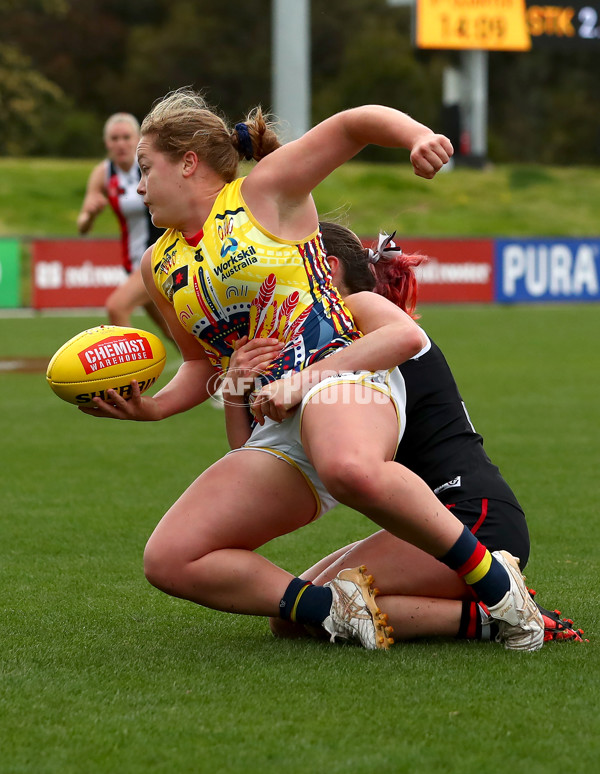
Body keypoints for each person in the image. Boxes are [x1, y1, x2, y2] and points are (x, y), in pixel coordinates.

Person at [79, 88, 544, 652]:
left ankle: (500, 588)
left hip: (342, 379)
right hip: (281, 421)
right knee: (171, 557)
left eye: (146, 168)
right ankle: (336, 611)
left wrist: (417, 135)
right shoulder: (160, 265)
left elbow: (354, 124)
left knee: (349, 466)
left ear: (188, 162)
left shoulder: (263, 192)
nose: (138, 185)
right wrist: (149, 407)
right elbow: (199, 364)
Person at [216, 221, 583, 645]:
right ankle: (494, 611)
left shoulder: (370, 329)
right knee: (289, 613)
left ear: (327, 270)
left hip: (473, 519)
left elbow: (406, 336)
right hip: (424, 523)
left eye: (286, 273)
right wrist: (235, 387)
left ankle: (500, 616)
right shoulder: (317, 348)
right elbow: (255, 459)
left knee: (323, 609)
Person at [77, 112, 171, 338]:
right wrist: (89, 213)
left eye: (126, 137)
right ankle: (214, 369)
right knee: (173, 332)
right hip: (132, 262)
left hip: (158, 256)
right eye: (114, 138)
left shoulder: (151, 165)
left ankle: (131, 374)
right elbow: (82, 227)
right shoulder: (103, 173)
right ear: (106, 142)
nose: (121, 144)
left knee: (116, 307)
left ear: (138, 138)